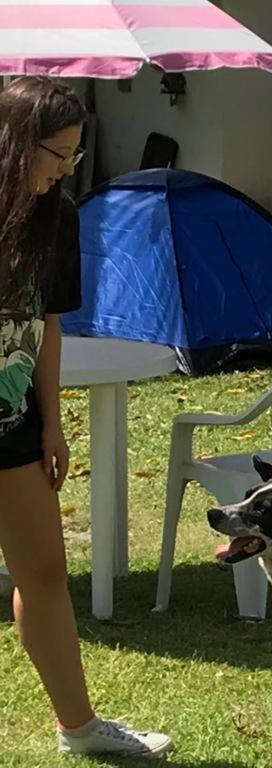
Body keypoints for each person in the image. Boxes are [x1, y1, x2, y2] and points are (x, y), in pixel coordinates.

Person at [0, 76, 172, 758]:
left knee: (43, 574)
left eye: (76, 153)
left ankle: (79, 728)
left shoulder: (57, 216)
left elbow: (47, 323)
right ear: (17, 143)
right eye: (60, 153)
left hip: (13, 424)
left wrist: (51, 422)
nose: (69, 168)